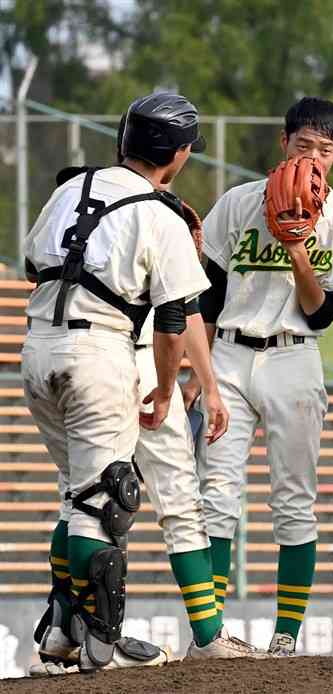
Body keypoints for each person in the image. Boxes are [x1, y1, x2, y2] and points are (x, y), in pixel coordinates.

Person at [22, 92, 209, 672]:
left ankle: (60, 632)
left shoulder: (67, 190)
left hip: (37, 352)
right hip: (99, 354)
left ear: (123, 141)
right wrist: (160, 385)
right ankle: (104, 648)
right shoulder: (162, 214)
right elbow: (173, 318)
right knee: (106, 507)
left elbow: (34, 265)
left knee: (77, 498)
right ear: (177, 155)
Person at [194, 96, 333, 656]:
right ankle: (211, 634)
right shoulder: (238, 203)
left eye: (324, 148)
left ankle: (286, 637)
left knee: (294, 501)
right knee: (215, 495)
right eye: (302, 145)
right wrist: (199, 372)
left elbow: (320, 313)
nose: (312, 157)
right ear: (282, 142)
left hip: (296, 355)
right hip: (229, 353)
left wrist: (297, 249)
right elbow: (209, 296)